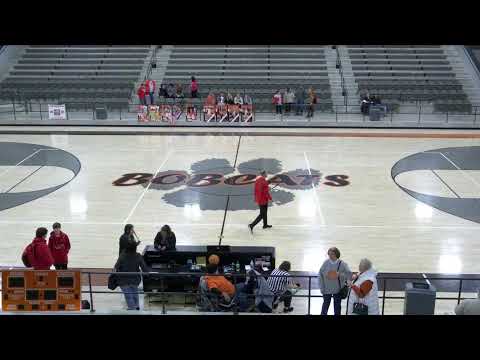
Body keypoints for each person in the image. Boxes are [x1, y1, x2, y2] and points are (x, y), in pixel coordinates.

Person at [114, 241, 150, 310]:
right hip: (135, 279)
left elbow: (116, 266)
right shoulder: (138, 256)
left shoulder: (122, 255)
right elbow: (144, 268)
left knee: (128, 296)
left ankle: (132, 309)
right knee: (134, 295)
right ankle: (136, 308)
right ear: (135, 248)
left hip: (123, 279)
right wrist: (148, 273)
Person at [318, 247, 352, 315]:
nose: (330, 256)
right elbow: (320, 275)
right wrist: (322, 288)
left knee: (337, 308)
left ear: (336, 254)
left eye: (332, 254)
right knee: (325, 307)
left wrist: (339, 274)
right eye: (329, 254)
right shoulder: (325, 263)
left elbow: (349, 275)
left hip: (338, 290)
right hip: (326, 290)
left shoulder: (342, 264)